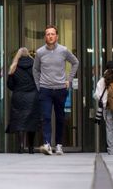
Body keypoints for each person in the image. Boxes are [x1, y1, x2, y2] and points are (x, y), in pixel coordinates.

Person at [34, 25, 79, 155]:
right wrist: (39, 85)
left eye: (52, 34)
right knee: (46, 117)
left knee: (60, 118)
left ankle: (59, 145)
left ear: (57, 36)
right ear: (45, 37)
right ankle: (47, 144)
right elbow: (35, 69)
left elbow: (75, 62)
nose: (50, 36)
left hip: (60, 89)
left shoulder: (64, 50)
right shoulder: (40, 52)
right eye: (48, 34)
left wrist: (69, 80)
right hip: (45, 89)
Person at [6, 47, 41, 154]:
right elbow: (39, 81)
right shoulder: (35, 65)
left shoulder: (14, 66)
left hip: (19, 96)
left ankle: (21, 146)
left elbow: (10, 85)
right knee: (31, 122)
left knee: (19, 121)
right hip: (33, 97)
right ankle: (31, 148)